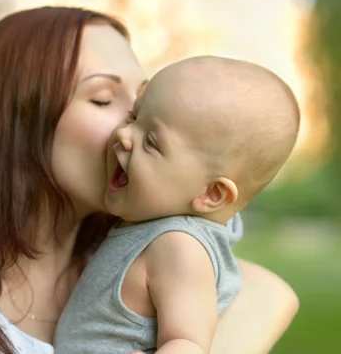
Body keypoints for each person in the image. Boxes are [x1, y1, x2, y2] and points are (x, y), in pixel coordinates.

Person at [0, 7, 299, 354]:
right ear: (18, 126)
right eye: (103, 99)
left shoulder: (132, 259)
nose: (130, 122)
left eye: (143, 100)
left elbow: (272, 294)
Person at [54, 56, 300, 354]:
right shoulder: (156, 222)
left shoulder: (179, 246)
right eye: (134, 117)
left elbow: (187, 343)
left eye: (152, 142)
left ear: (212, 195)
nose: (123, 133)